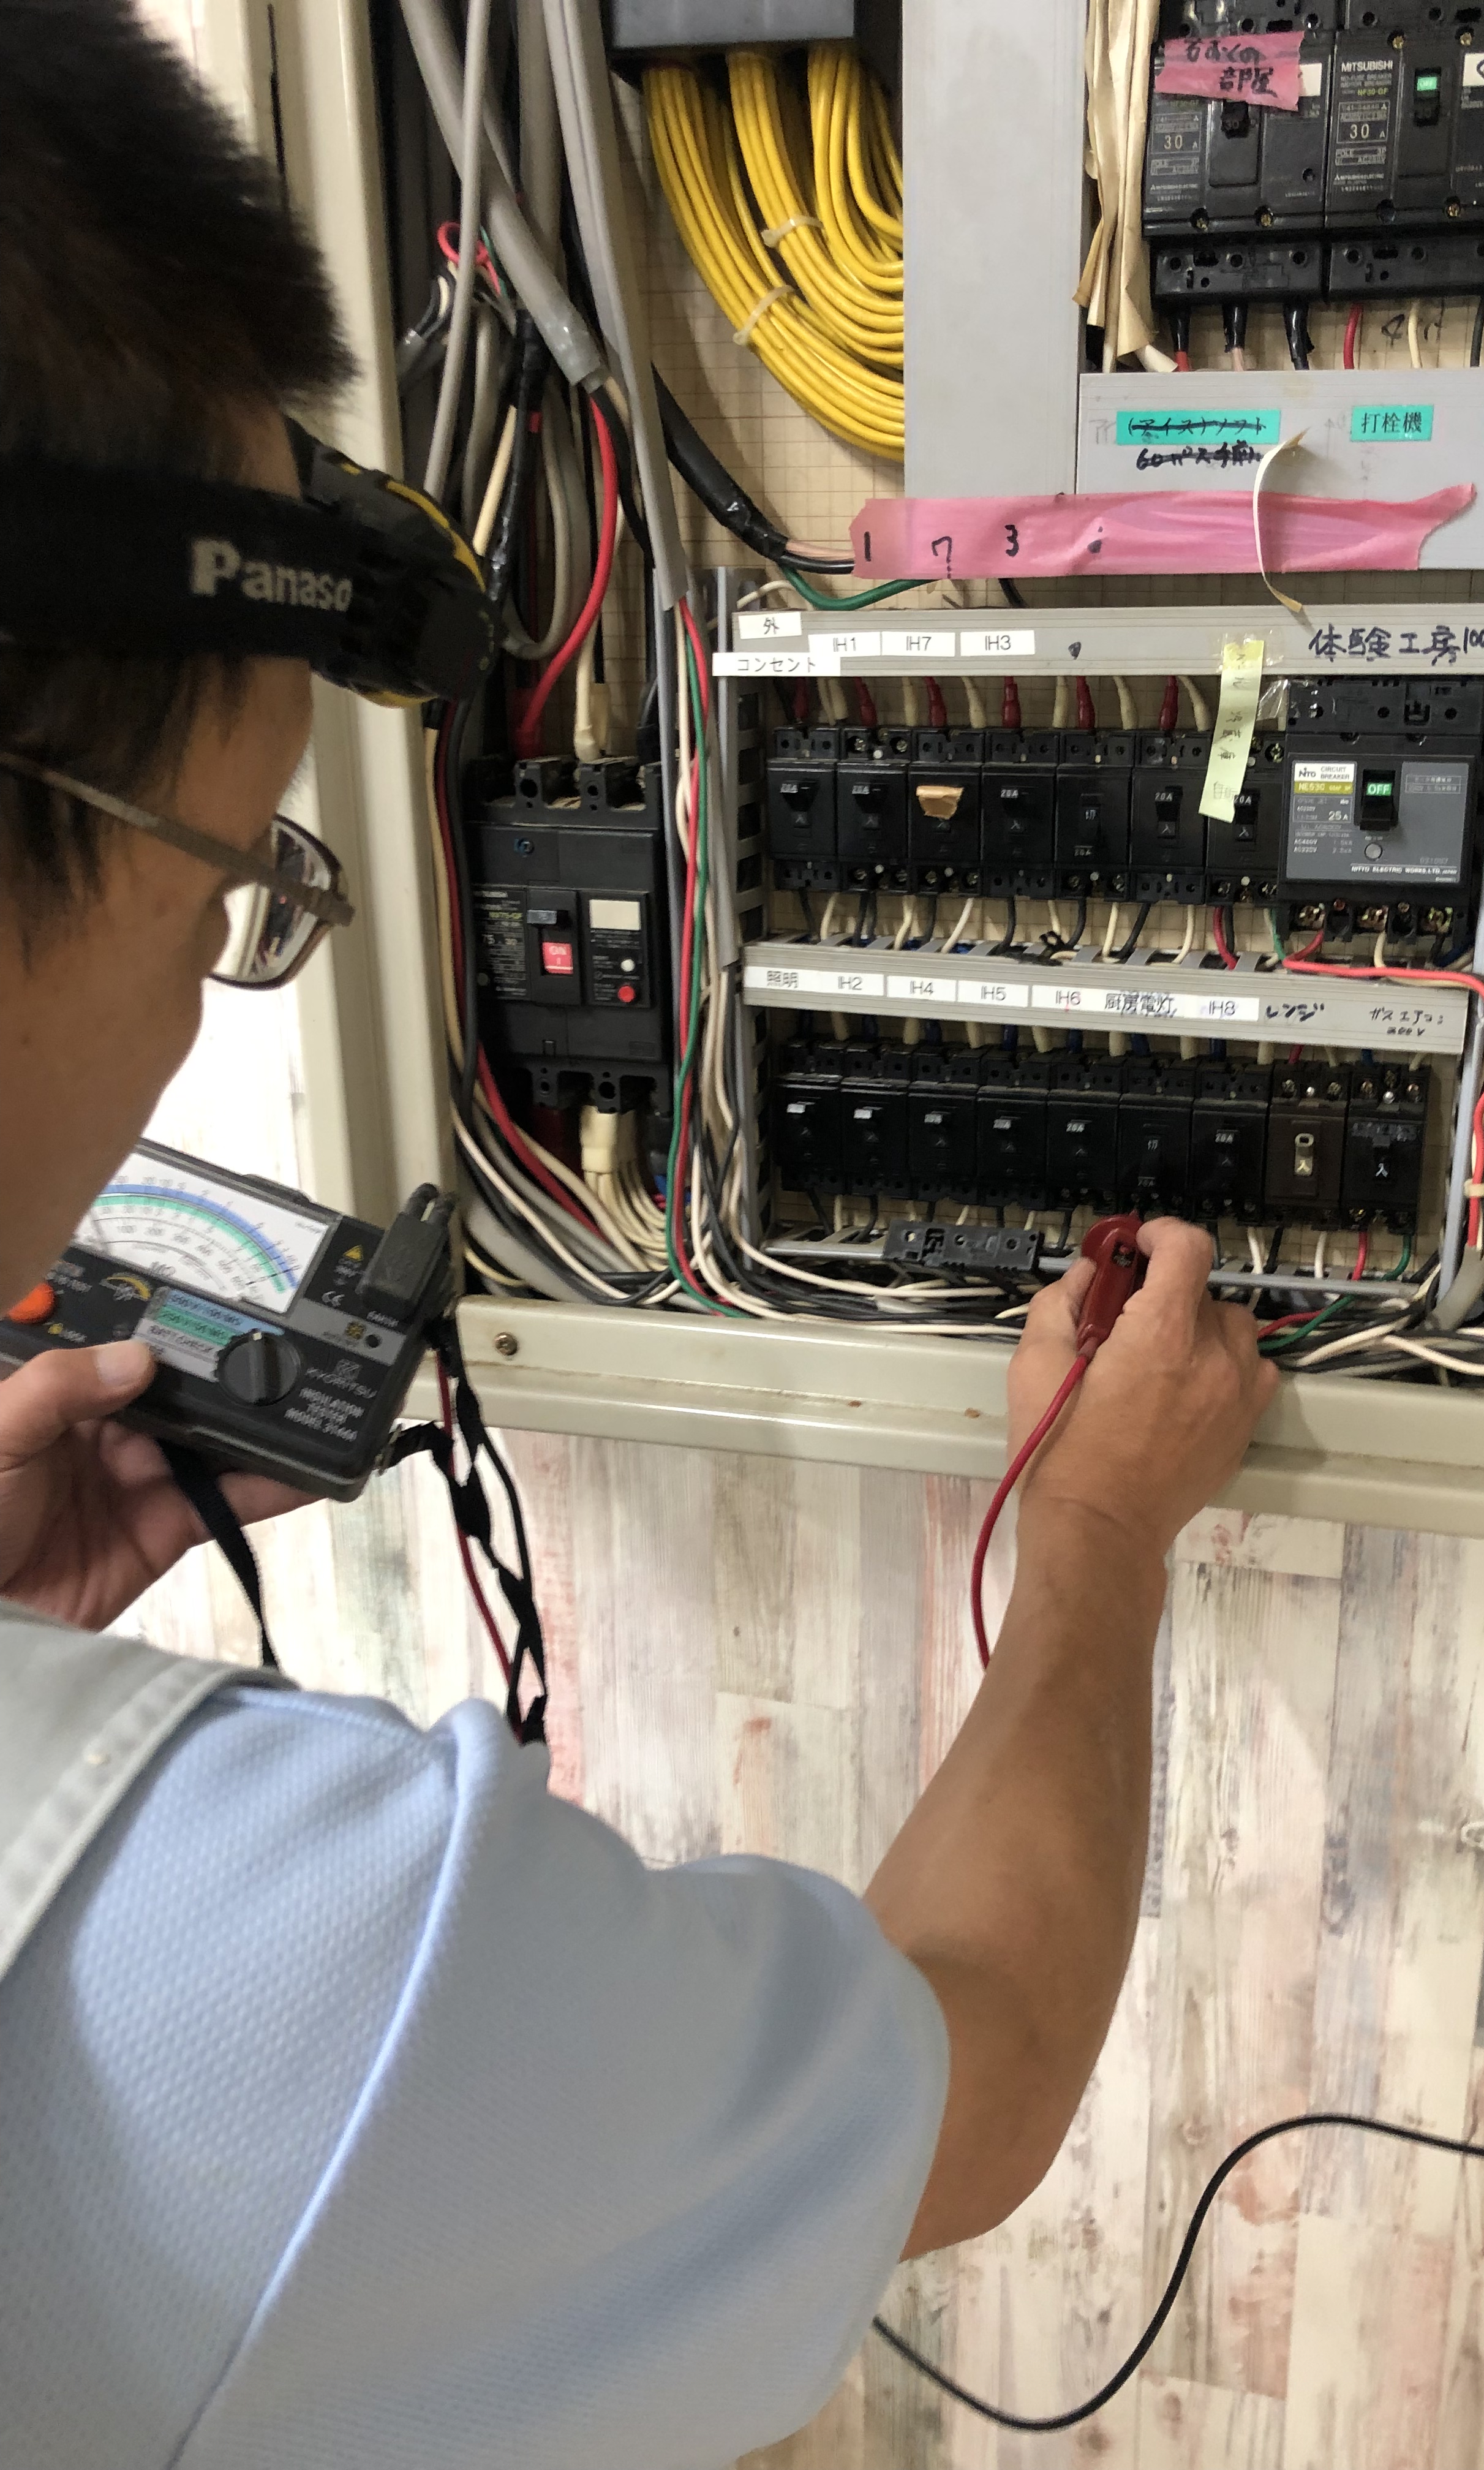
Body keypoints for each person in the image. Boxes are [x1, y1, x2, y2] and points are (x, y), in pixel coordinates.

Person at [0, 6, 1276, 2464]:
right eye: (230, 894)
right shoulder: (246, 1960)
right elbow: (972, 2072)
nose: (190, 1008)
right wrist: (1104, 1529)